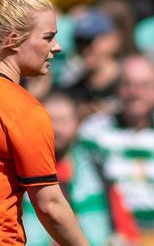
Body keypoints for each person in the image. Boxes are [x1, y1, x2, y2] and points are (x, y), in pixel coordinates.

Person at [78, 55, 154, 237]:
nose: (135, 92)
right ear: (117, 89)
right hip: (110, 234)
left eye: (144, 85)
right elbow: (91, 188)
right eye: (127, 84)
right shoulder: (94, 131)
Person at [0, 0, 88, 245]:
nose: (57, 48)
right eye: (48, 37)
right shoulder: (24, 110)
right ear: (14, 40)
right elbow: (50, 205)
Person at [21, 93, 116, 246]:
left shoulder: (95, 168)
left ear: (76, 124)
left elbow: (123, 225)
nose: (57, 129)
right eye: (51, 121)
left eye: (64, 121)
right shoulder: (20, 171)